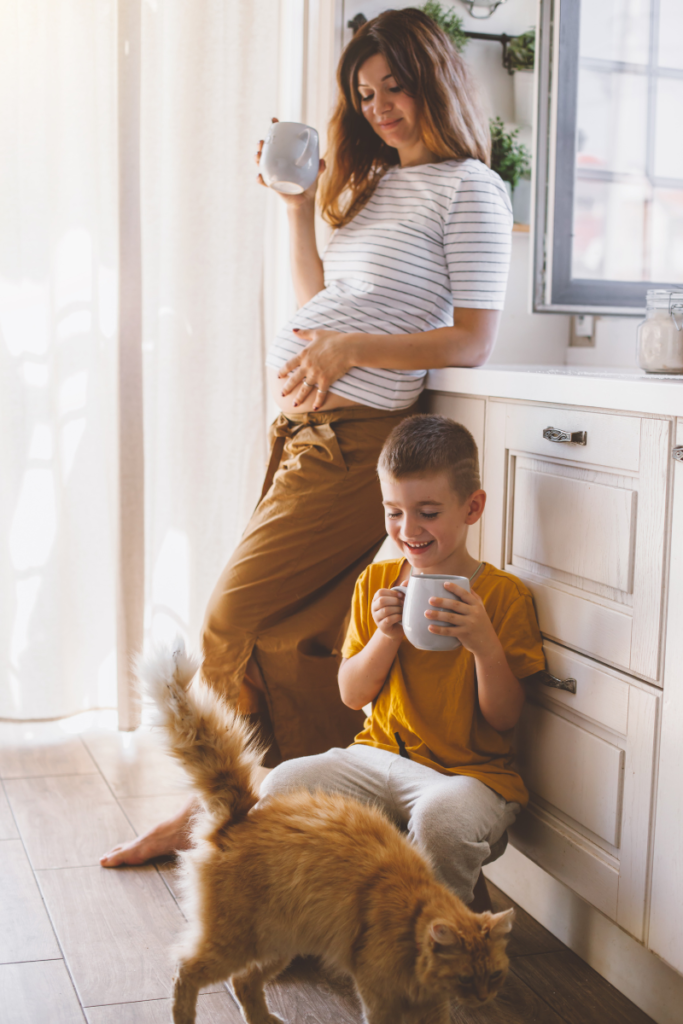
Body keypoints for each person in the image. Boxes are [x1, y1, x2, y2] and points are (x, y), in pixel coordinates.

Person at [101, 7, 513, 868]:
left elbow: (472, 338)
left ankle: (218, 813)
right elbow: (322, 298)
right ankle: (262, 820)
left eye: (393, 85)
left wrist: (348, 348)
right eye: (364, 95)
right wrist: (296, 211)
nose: (379, 106)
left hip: (356, 436)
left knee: (228, 616)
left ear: (433, 75)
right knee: (288, 642)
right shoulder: (376, 186)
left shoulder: (470, 187)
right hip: (304, 428)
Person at [260, 415, 545, 907]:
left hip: (470, 776)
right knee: (281, 785)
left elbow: (504, 718)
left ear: (472, 508)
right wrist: (386, 636)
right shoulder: (377, 583)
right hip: (377, 758)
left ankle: (438, 946)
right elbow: (352, 694)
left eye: (428, 512)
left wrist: (483, 643)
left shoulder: (503, 597)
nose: (407, 530)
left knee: (442, 819)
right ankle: (299, 920)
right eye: (393, 512)